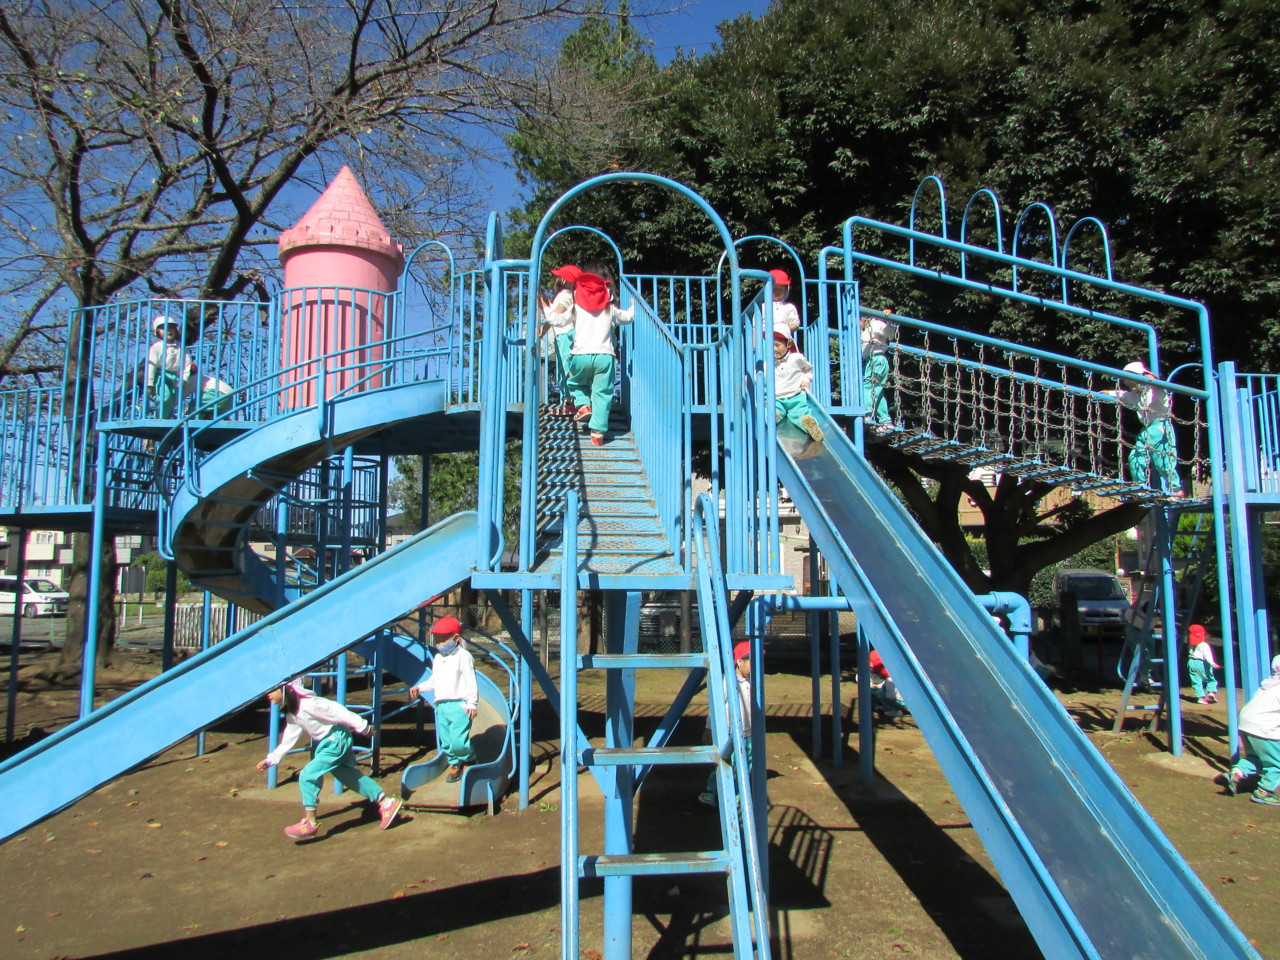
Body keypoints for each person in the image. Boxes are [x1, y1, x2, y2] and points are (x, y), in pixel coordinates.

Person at [255, 680, 401, 840]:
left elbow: (336, 710)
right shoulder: (293, 713)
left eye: (272, 690)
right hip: (330, 742)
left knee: (307, 775)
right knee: (347, 775)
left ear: (285, 689)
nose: (268, 694)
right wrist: (272, 759)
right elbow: (289, 739)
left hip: (335, 740)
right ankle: (386, 803)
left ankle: (310, 822)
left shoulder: (309, 704)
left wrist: (362, 726)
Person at [565, 260, 634, 446]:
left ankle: (583, 404)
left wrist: (548, 311)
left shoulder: (578, 305)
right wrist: (633, 307)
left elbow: (560, 320)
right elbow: (627, 317)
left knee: (576, 382)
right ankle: (598, 433)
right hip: (605, 355)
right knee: (602, 393)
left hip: (581, 354)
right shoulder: (609, 306)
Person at [409, 616, 478, 783]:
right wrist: (420, 688)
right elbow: (434, 680)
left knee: (458, 740)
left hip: (459, 705)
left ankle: (469, 758)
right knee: (446, 741)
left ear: (455, 638)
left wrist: (472, 703)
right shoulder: (439, 658)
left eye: (443, 639)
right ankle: (455, 763)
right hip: (441, 706)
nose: (439, 643)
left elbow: (471, 680)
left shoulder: (464, 656)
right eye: (437, 639)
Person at [1104, 360, 1183, 496]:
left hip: (1160, 426)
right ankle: (1140, 487)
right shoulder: (1133, 396)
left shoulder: (1154, 391)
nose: (1130, 384)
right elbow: (1113, 393)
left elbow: (1155, 381)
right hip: (1146, 430)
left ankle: (1176, 489)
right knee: (1135, 458)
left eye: (1133, 381)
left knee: (1163, 461)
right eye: (1127, 382)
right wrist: (1099, 393)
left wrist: (1147, 376)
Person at [699, 640, 755, 807]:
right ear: (740, 662)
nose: (756, 666)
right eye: (752, 661)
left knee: (747, 764)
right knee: (727, 763)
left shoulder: (753, 681)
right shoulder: (728, 681)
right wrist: (709, 728)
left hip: (748, 732)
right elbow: (716, 706)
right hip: (731, 733)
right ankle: (710, 791)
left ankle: (738, 793)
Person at [1223, 655, 1280, 805]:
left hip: (1246, 725)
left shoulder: (1268, 684)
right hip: (1265, 729)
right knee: (1277, 764)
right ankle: (1264, 792)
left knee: (1257, 758)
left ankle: (1237, 773)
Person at [538, 264, 580, 415]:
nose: (555, 279)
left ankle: (575, 401)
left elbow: (554, 315)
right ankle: (568, 401)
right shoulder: (569, 295)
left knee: (568, 369)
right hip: (562, 335)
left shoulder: (565, 295)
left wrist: (544, 304)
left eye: (558, 276)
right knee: (562, 371)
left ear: (563, 280)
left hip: (565, 335)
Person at [773, 330, 824, 443]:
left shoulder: (796, 358)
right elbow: (759, 375)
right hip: (777, 398)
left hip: (796, 396)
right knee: (773, 409)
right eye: (772, 345)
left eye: (777, 345)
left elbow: (808, 370)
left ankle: (811, 426)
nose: (774, 349)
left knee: (800, 414)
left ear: (789, 344)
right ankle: (772, 417)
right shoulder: (769, 363)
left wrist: (806, 381)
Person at [146, 315, 196, 418]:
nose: (168, 331)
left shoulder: (181, 347)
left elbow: (187, 364)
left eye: (171, 328)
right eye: (163, 328)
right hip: (161, 376)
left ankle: (167, 418)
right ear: (157, 332)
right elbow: (151, 366)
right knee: (165, 397)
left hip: (175, 377)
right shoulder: (157, 347)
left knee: (172, 400)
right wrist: (149, 384)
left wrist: (184, 378)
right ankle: (159, 419)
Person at [861, 302, 897, 434]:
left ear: (863, 318)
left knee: (869, 387)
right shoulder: (864, 331)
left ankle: (867, 414)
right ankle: (885, 421)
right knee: (878, 392)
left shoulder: (875, 323)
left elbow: (889, 334)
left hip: (877, 359)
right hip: (870, 361)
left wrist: (889, 320)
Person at [867, 650, 908, 718]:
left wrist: (878, 686)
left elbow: (890, 696)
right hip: (905, 699)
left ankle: (893, 710)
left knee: (879, 693)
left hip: (902, 702)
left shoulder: (890, 679)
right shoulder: (894, 670)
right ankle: (884, 706)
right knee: (874, 690)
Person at [1186, 623, 1219, 704]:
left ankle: (1200, 697)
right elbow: (1207, 655)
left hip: (1191, 662)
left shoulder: (1190, 644)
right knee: (1210, 679)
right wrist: (1212, 663)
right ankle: (1211, 692)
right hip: (1202, 663)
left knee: (1196, 681)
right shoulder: (1204, 645)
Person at [768, 269, 800, 335]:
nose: (777, 291)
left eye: (781, 289)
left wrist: (784, 331)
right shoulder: (762, 307)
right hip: (766, 337)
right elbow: (755, 326)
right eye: (774, 288)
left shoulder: (789, 307)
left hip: (784, 337)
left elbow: (795, 324)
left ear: (786, 290)